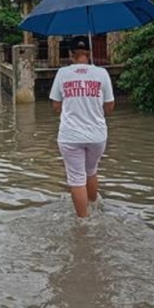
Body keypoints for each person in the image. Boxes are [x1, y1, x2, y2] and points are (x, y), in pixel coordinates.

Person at [49, 35, 114, 218]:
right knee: (91, 170)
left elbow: (55, 105)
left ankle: (83, 223)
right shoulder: (102, 73)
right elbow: (110, 107)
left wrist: (71, 105)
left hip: (70, 135)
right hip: (97, 135)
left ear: (71, 54)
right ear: (89, 52)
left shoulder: (62, 74)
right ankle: (93, 207)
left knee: (77, 179)